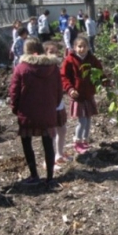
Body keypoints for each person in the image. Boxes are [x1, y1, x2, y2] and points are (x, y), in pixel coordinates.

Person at [10, 38, 62, 186]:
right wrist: (53, 105)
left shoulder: (21, 68)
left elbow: (14, 92)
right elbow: (59, 91)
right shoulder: (53, 68)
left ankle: (34, 175)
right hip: (47, 112)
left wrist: (16, 109)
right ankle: (50, 177)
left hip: (27, 112)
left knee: (27, 143)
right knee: (48, 143)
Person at [61, 37, 103, 154]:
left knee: (89, 119)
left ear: (88, 47)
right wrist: (70, 89)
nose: (82, 49)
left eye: (84, 46)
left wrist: (104, 81)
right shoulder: (70, 60)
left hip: (89, 93)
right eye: (79, 46)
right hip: (78, 95)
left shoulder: (91, 59)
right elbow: (64, 77)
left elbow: (100, 71)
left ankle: (85, 139)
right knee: (82, 121)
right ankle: (77, 141)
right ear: (74, 48)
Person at [43, 41, 71, 171]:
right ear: (44, 54)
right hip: (49, 105)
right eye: (51, 52)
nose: (54, 55)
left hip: (58, 103)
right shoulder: (43, 69)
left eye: (56, 52)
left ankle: (59, 154)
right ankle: (49, 160)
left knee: (62, 129)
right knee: (51, 133)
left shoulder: (55, 67)